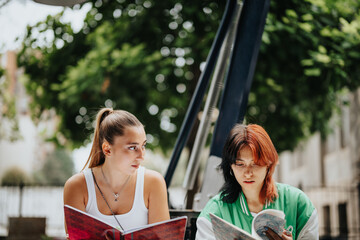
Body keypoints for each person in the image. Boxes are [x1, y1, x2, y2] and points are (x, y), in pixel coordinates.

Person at [196, 124, 318, 240]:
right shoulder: (214, 213)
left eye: (255, 164)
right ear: (230, 167)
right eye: (240, 164)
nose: (248, 173)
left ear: (269, 164)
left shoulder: (298, 204)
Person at [63, 108, 170, 235]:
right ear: (107, 149)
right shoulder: (77, 186)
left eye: (143, 146)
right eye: (132, 147)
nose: (141, 156)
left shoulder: (154, 183)